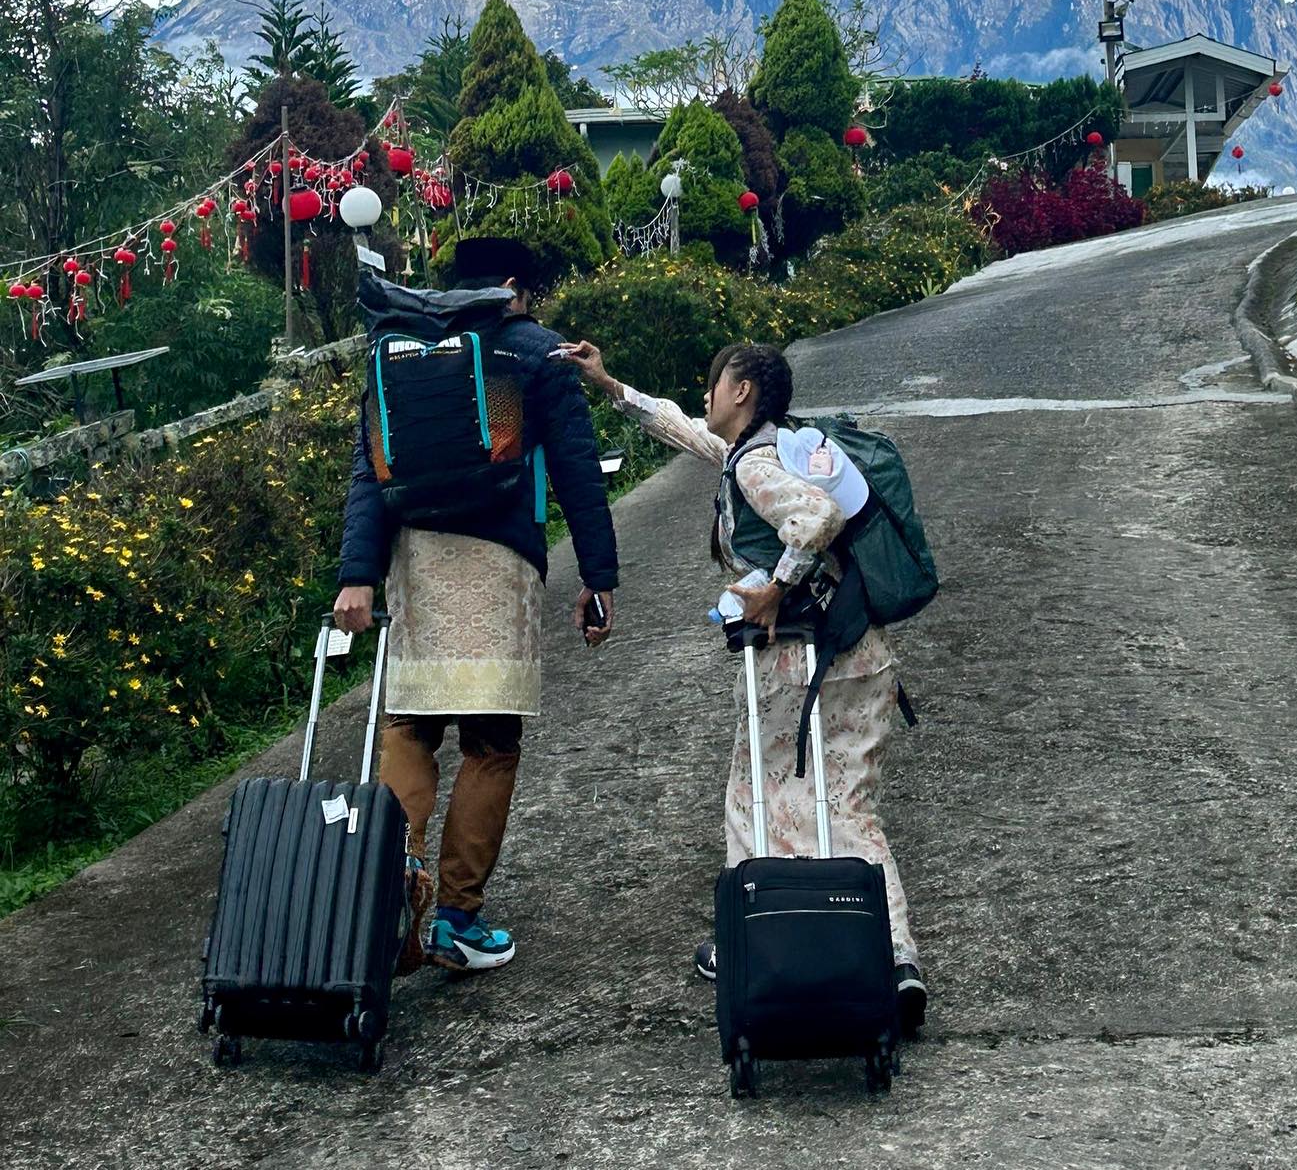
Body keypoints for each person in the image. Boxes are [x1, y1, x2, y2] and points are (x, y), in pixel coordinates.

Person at [564, 336, 928, 1036]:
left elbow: (815, 520)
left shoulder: (758, 463)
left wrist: (775, 588)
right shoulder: (767, 447)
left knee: (753, 797)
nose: (707, 390)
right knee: (848, 804)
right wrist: (610, 384)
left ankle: (757, 938)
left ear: (744, 391)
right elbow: (679, 423)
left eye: (716, 378)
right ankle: (895, 955)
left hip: (799, 660)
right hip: (860, 654)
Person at [333, 236, 619, 975]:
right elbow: (578, 471)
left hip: (416, 565)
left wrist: (357, 574)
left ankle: (388, 891)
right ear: (517, 285)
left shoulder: (393, 349)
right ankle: (455, 917)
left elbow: (369, 471)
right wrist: (599, 574)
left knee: (410, 729)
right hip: (500, 565)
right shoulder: (535, 351)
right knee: (491, 744)